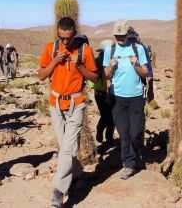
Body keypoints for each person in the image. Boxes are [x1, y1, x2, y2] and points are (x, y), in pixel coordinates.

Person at [38, 17, 98, 208]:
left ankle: (58, 191)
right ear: (58, 33)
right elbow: (41, 75)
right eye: (62, 38)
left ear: (74, 33)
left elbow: (95, 77)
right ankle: (76, 174)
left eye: (69, 38)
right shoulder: (50, 48)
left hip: (76, 103)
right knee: (66, 148)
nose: (65, 42)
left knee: (68, 147)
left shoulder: (84, 50)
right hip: (56, 104)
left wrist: (79, 65)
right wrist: (55, 61)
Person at [104, 20, 149, 180]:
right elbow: (106, 75)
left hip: (136, 96)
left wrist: (136, 65)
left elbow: (145, 73)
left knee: (135, 132)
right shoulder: (110, 49)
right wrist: (111, 67)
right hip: (118, 97)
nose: (120, 39)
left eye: (122, 36)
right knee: (124, 133)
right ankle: (129, 164)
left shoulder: (138, 49)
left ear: (128, 34)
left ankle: (136, 153)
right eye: (117, 36)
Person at [92, 39, 115, 146]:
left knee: (113, 116)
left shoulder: (114, 61)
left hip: (113, 92)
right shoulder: (97, 62)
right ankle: (100, 129)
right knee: (106, 115)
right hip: (100, 93)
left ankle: (109, 138)